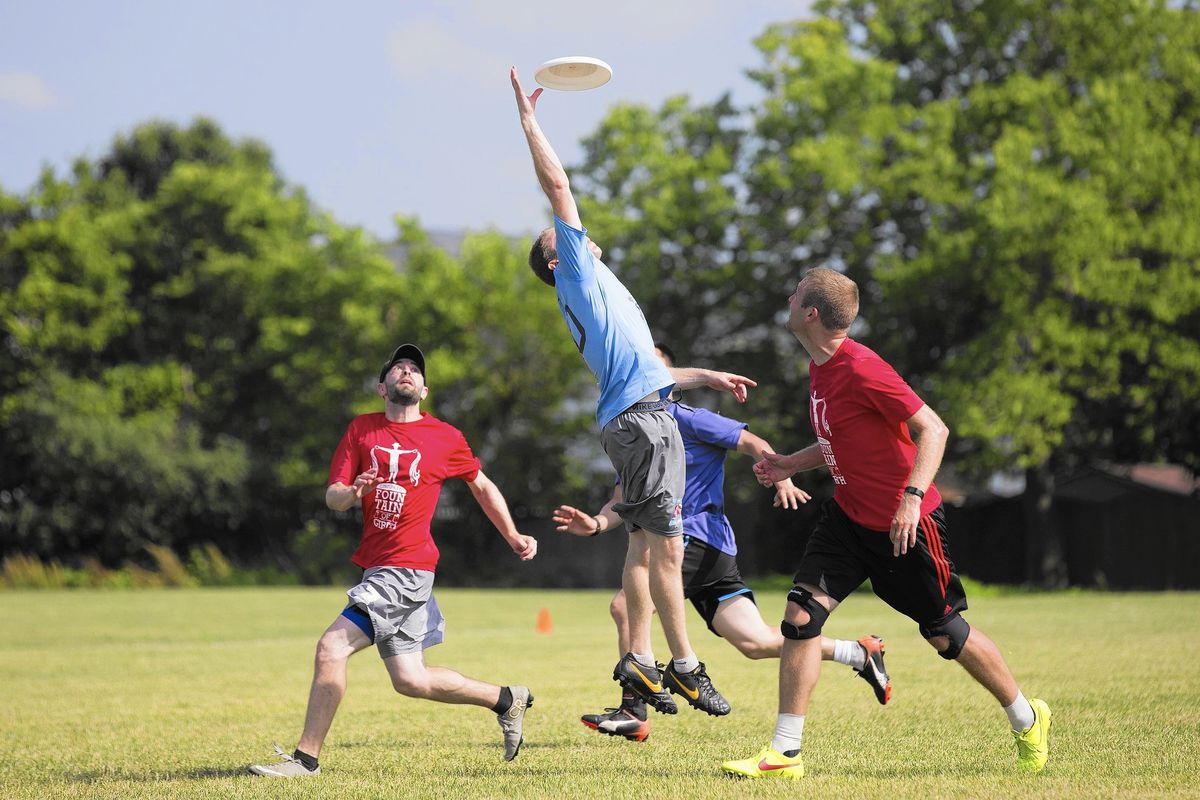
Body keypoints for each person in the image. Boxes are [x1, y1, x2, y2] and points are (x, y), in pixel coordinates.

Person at [721, 269, 1052, 780]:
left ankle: (1027, 718)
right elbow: (841, 441)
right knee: (801, 617)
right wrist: (789, 464)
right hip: (847, 519)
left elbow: (933, 429)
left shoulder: (862, 367)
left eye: (796, 293)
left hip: (905, 525)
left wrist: (911, 500)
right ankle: (785, 754)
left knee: (945, 633)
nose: (788, 298)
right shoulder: (819, 367)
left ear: (811, 312)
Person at [511, 67, 755, 718]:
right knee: (667, 548)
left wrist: (706, 377)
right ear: (558, 260)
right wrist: (531, 123)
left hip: (635, 418)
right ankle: (683, 666)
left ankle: (641, 663)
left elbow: (646, 371)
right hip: (645, 425)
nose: (579, 233)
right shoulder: (578, 274)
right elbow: (559, 185)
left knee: (645, 546)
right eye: (565, 237)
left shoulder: (597, 293)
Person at [554, 343, 892, 743]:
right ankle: (859, 652)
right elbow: (622, 500)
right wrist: (595, 523)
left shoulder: (690, 419)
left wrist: (782, 475)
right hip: (705, 553)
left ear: (671, 382)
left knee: (625, 606)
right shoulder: (636, 435)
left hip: (697, 537)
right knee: (755, 642)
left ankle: (634, 711)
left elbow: (751, 441)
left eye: (654, 369)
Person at [250, 344, 539, 777]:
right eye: (397, 368)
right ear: (381, 387)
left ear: (424, 390)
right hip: (378, 566)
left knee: (331, 648)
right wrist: (353, 492)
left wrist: (513, 535)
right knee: (411, 680)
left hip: (406, 569)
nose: (407, 371)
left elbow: (481, 485)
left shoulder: (445, 436)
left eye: (414, 370)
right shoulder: (361, 429)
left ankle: (305, 760)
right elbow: (333, 497)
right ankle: (505, 698)